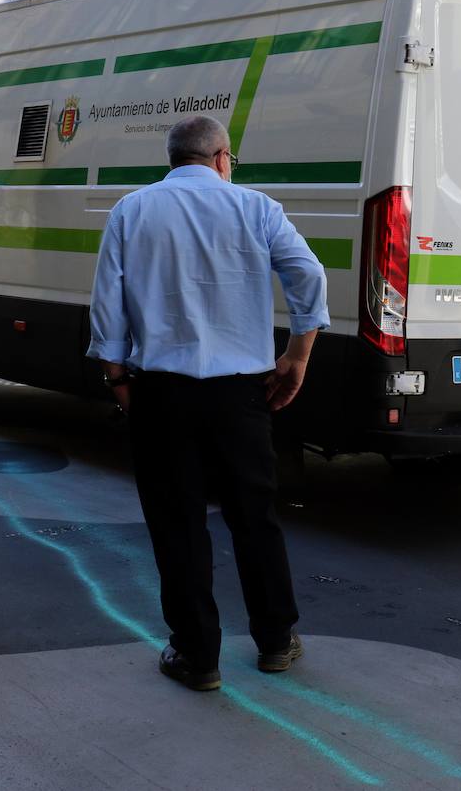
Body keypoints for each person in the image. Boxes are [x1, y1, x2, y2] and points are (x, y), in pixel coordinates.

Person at [87, 114, 330, 691]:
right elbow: (308, 274)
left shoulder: (132, 210)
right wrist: (297, 354)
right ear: (222, 158)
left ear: (173, 160)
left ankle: (198, 656)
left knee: (177, 523)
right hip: (242, 394)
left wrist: (118, 374)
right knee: (254, 518)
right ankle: (275, 640)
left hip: (162, 393)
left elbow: (108, 303)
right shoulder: (257, 208)